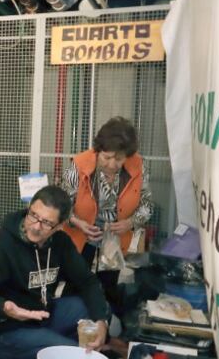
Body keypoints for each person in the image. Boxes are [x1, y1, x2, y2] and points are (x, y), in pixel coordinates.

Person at [0, 185, 110, 359]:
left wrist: (102, 321)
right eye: (33, 216)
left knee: (84, 311)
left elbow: (87, 281)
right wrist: (5, 308)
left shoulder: (61, 243)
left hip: (41, 314)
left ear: (59, 226)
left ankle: (44, 355)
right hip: (6, 328)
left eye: (46, 223)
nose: (36, 227)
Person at [61, 116, 152, 313]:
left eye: (119, 159)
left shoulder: (138, 166)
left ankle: (106, 330)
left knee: (110, 287)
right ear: (98, 150)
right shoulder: (79, 165)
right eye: (106, 157)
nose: (112, 164)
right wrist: (76, 221)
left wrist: (131, 222)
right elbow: (62, 204)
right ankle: (72, 329)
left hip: (115, 239)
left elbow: (147, 204)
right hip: (82, 235)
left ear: (127, 155)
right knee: (75, 283)